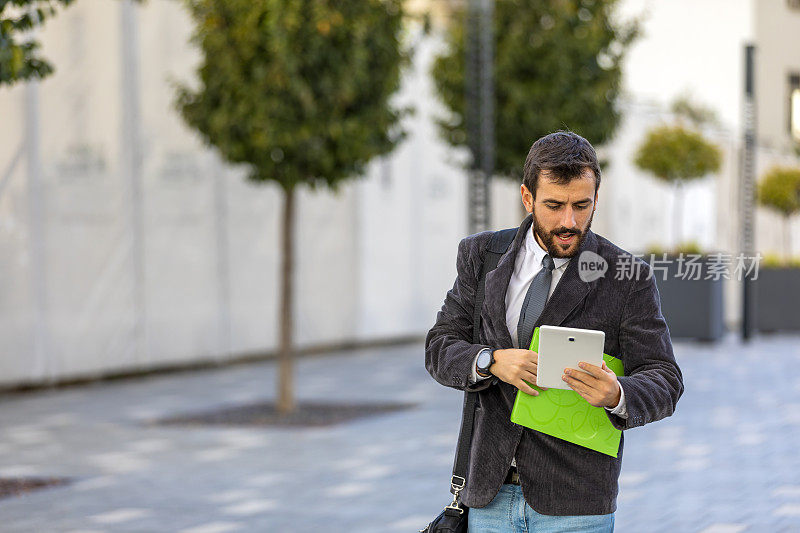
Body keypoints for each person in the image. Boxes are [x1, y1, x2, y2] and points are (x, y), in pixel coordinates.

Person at [425, 131, 684, 532]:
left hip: (576, 505)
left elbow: (665, 379)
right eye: (554, 205)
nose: (569, 221)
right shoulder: (482, 255)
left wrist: (618, 394)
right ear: (527, 198)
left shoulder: (627, 277)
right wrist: (490, 361)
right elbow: (440, 347)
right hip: (487, 498)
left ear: (596, 197)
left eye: (582, 205)